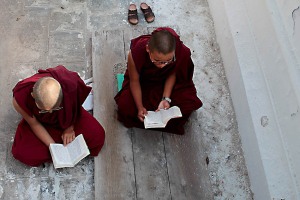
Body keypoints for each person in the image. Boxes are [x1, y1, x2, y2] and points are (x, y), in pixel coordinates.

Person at [12, 65, 105, 167]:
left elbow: (74, 107)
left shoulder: (69, 85)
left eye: (55, 108)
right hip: (42, 124)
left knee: (97, 135)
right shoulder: (20, 97)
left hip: (68, 118)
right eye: (44, 110)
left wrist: (69, 128)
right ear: (33, 96)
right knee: (23, 153)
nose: (50, 113)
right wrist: (53, 147)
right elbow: (35, 124)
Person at [114, 27, 202, 135]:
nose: (161, 66)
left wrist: (166, 99)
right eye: (156, 61)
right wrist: (140, 107)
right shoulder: (136, 52)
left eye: (167, 61)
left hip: (167, 83)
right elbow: (134, 81)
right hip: (143, 82)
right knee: (125, 106)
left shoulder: (180, 51)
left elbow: (173, 73)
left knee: (188, 103)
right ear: (148, 49)